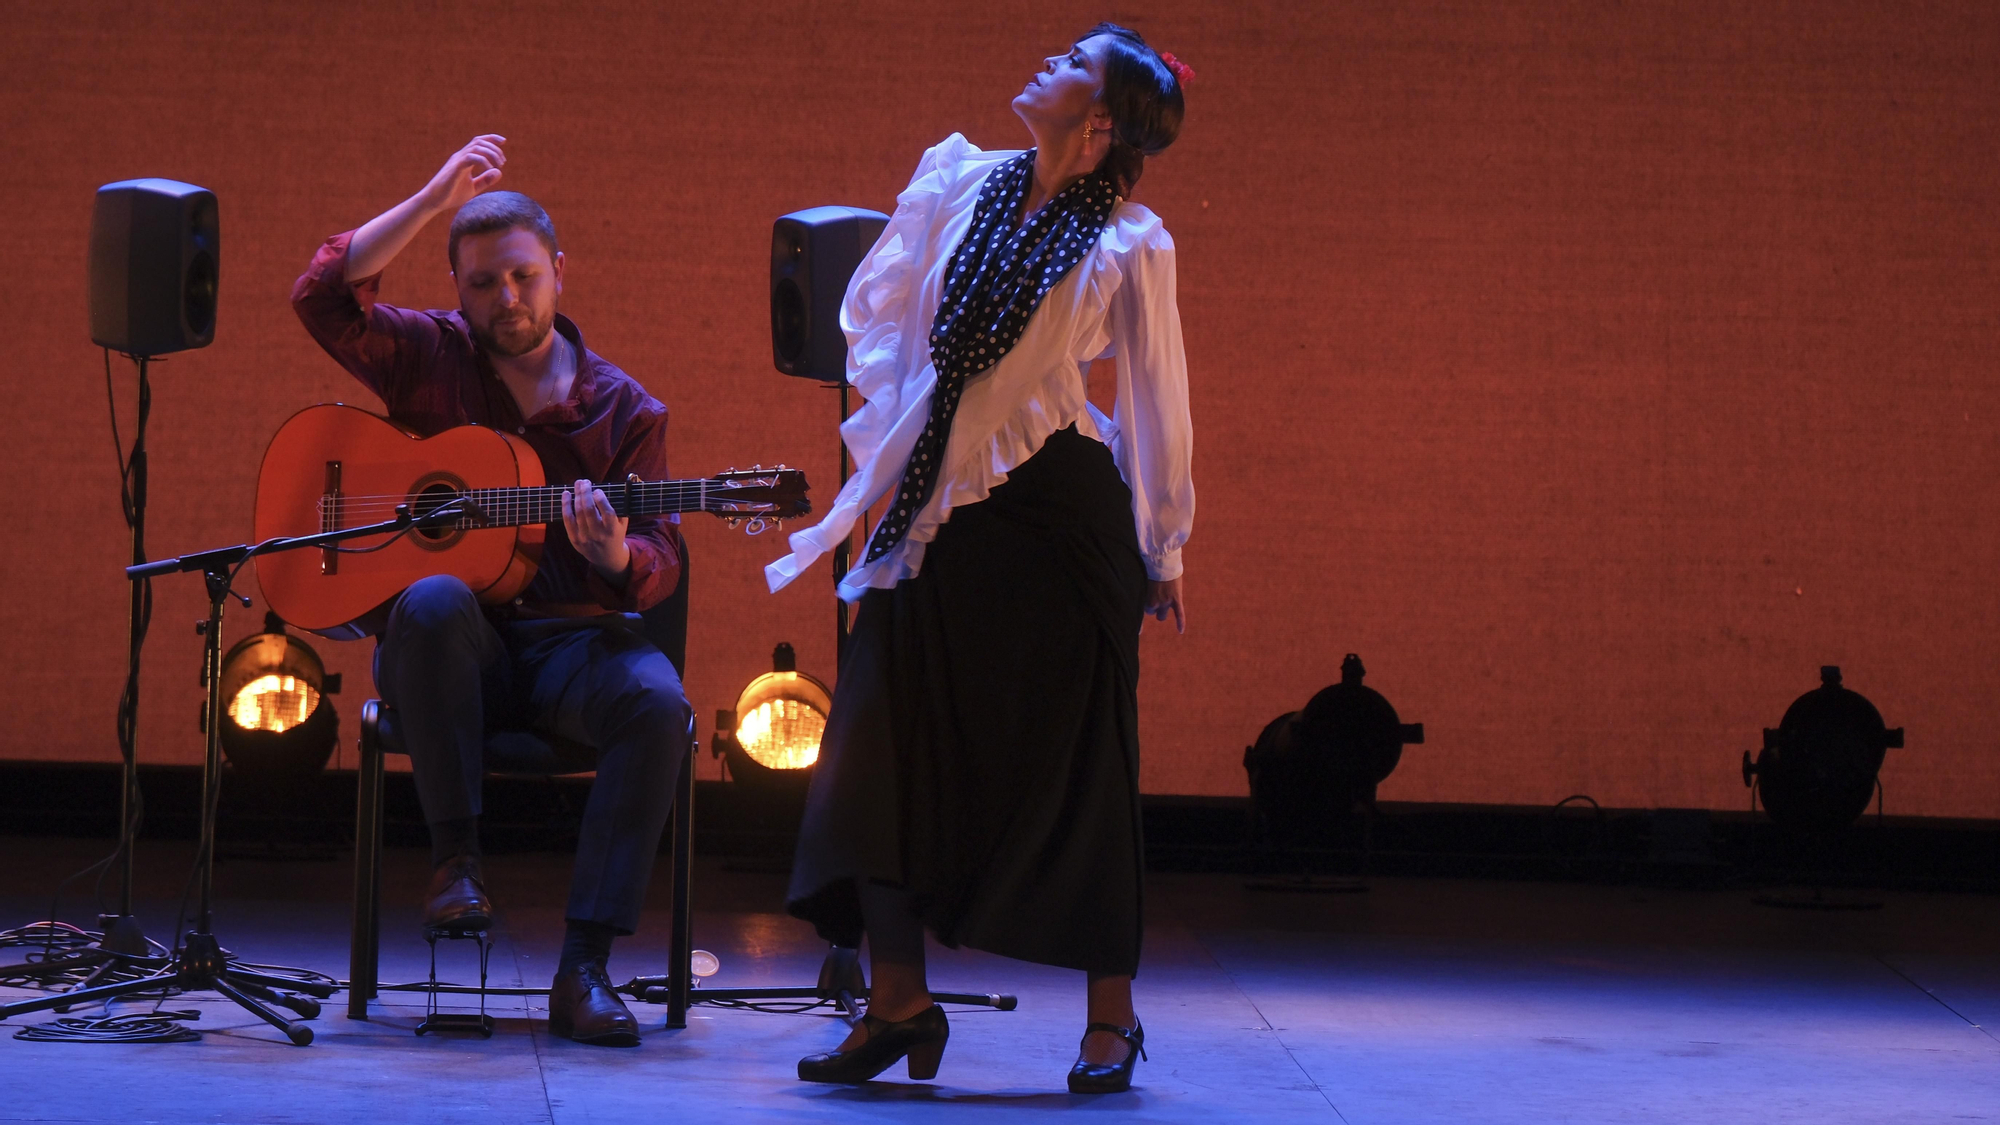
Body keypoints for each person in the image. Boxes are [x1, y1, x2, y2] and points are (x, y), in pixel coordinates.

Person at [765, 24, 1195, 1093]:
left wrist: (1164, 543)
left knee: (1077, 761)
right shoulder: (959, 181)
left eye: (1070, 63)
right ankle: (896, 1004)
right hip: (940, 512)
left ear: (1097, 123)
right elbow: (892, 327)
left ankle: (1110, 1020)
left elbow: (1153, 392)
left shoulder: (1130, 242)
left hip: (1055, 516)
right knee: (873, 743)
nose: (1042, 61)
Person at [291, 137, 691, 1047]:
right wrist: (433, 197)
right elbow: (319, 293)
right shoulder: (426, 353)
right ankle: (454, 866)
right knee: (431, 598)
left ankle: (583, 966)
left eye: (522, 277)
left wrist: (621, 557)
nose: (504, 300)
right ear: (456, 286)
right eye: (481, 284)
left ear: (558, 272)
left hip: (569, 643)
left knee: (658, 704)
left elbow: (663, 549)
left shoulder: (627, 411)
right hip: (452, 649)